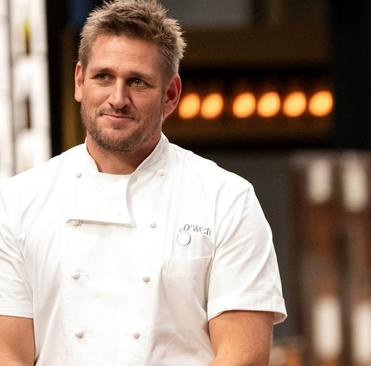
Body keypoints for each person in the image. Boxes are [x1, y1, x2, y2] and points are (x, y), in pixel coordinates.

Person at [0, 1, 286, 365]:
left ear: (171, 95)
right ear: (79, 81)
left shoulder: (225, 198)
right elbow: (8, 352)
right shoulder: (19, 201)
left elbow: (243, 357)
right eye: (103, 76)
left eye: (137, 82)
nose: (117, 99)